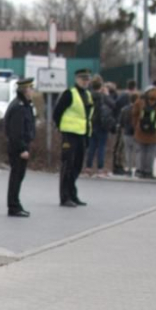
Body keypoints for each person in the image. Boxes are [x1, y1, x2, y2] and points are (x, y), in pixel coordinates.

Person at [53, 68, 94, 207]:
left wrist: (88, 134)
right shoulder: (69, 94)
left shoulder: (87, 94)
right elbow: (57, 112)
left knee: (77, 166)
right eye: (83, 79)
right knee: (67, 166)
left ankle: (73, 194)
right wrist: (61, 128)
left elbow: (87, 117)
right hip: (70, 134)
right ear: (77, 79)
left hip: (82, 134)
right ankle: (65, 197)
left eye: (87, 79)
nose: (85, 81)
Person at [3, 77, 36, 217]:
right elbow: (16, 131)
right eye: (31, 88)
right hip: (18, 148)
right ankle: (13, 206)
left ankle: (16, 204)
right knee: (16, 177)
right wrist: (23, 148)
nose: (32, 91)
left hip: (19, 146)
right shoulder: (19, 107)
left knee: (18, 177)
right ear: (25, 90)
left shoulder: (23, 104)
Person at [84, 76, 116, 178]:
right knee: (101, 147)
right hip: (102, 124)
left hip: (91, 123)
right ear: (101, 86)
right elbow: (113, 105)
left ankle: (88, 168)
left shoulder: (88, 96)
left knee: (91, 146)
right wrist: (107, 94)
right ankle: (100, 169)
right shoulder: (103, 97)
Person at [118, 93, 139, 176]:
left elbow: (121, 122)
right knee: (137, 152)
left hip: (127, 133)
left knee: (128, 152)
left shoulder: (124, 109)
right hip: (137, 133)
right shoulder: (139, 109)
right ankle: (138, 168)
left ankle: (129, 169)